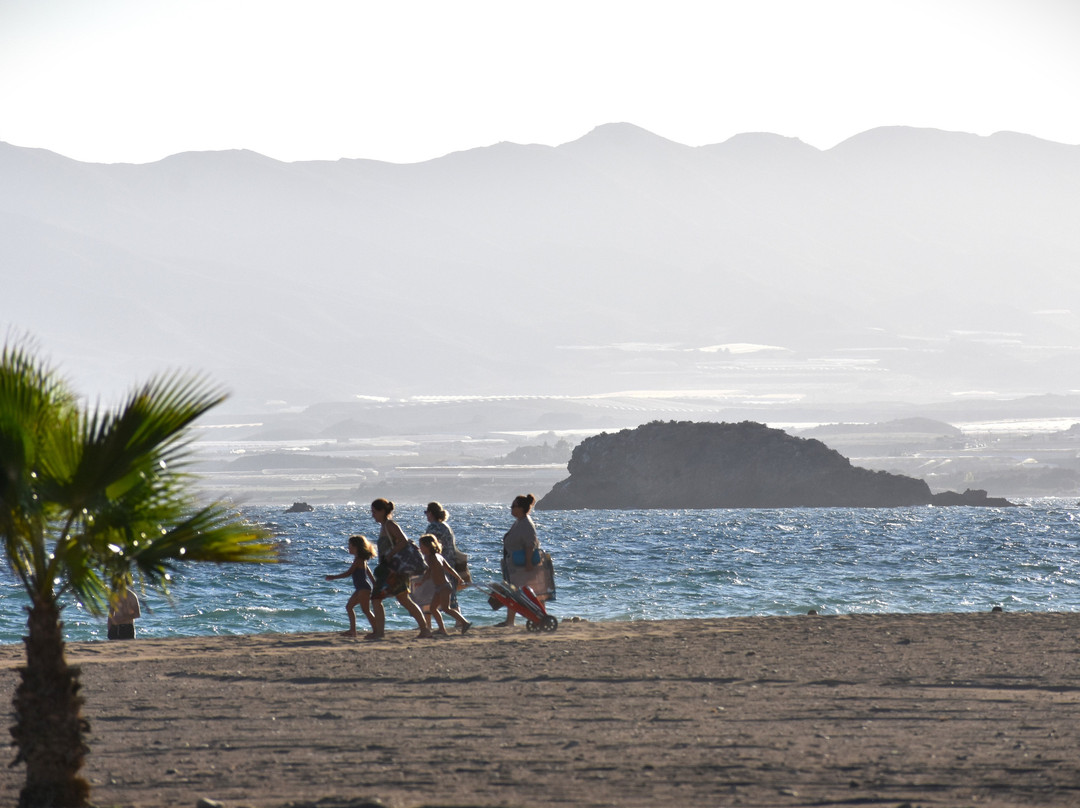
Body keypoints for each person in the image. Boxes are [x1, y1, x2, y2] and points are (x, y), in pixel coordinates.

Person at [369, 498, 431, 640]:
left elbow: (403, 540)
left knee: (376, 598)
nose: (372, 515)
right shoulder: (384, 525)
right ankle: (424, 629)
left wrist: (390, 554)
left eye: (374, 512)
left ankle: (380, 632)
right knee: (403, 599)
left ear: (383, 511)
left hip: (394, 570)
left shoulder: (390, 525)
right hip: (391, 569)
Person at [498, 493, 542, 627]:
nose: (511, 508)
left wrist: (528, 562)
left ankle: (536, 616)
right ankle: (510, 621)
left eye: (514, 506)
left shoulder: (526, 524)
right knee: (513, 593)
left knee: (518, 592)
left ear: (521, 508)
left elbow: (530, 544)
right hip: (513, 565)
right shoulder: (519, 522)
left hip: (521, 566)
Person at [424, 501, 470, 629]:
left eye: (426, 512)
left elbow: (430, 548)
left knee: (434, 593)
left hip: (438, 564)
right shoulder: (445, 526)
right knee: (450, 594)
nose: (426, 516)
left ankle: (428, 624)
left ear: (431, 513)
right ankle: (459, 621)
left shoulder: (433, 528)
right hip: (450, 561)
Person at [324, 534, 377, 638]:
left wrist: (333, 577)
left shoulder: (358, 560)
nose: (348, 547)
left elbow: (348, 573)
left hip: (363, 589)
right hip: (362, 588)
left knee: (365, 610)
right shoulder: (360, 559)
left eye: (350, 545)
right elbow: (369, 574)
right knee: (349, 607)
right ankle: (353, 631)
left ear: (356, 547)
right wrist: (375, 585)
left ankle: (377, 630)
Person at [418, 533, 471, 635]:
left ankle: (464, 623)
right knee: (433, 608)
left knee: (446, 608)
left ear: (428, 546)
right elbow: (449, 569)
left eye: (422, 546)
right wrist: (458, 578)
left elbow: (429, 571)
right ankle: (442, 629)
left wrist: (421, 581)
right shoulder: (438, 556)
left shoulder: (429, 558)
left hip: (443, 588)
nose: (420, 548)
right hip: (443, 587)